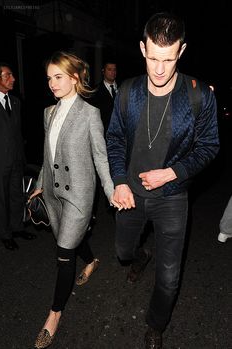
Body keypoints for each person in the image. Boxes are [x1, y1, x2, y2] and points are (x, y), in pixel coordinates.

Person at [106, 12, 219, 349]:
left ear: (180, 52)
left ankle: (156, 325)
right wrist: (120, 180)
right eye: (153, 57)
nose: (158, 68)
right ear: (142, 48)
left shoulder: (199, 96)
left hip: (172, 199)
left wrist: (173, 172)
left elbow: (209, 146)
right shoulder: (127, 92)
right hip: (131, 196)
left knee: (169, 279)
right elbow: (114, 139)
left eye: (168, 59)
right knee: (123, 251)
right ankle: (140, 257)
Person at [30, 51, 119, 349]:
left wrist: (110, 192)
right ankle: (92, 260)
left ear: (75, 77)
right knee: (72, 240)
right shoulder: (48, 112)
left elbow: (100, 158)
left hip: (79, 195)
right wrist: (39, 185)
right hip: (55, 195)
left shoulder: (89, 113)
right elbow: (47, 156)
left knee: (63, 252)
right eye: (49, 78)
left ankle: (53, 315)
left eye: (58, 77)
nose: (52, 84)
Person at [0, 62, 36, 251]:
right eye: (8, 75)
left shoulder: (15, 102)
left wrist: (22, 157)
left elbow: (18, 133)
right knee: (1, 199)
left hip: (16, 160)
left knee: (16, 195)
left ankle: (17, 227)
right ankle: (5, 234)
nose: (13, 79)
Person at [89, 61, 118, 133]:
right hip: (104, 132)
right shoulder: (95, 91)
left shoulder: (123, 87)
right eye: (109, 69)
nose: (113, 72)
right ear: (103, 71)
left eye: (114, 69)